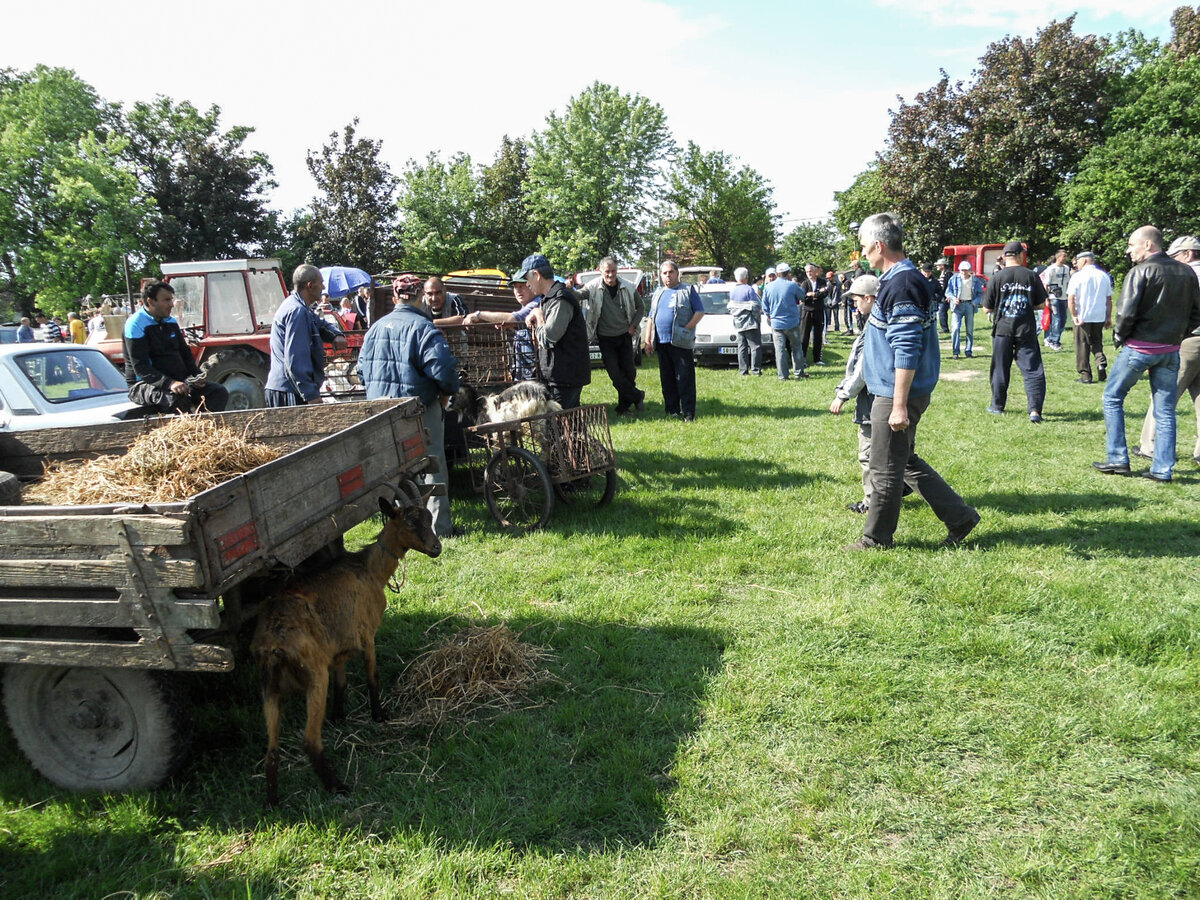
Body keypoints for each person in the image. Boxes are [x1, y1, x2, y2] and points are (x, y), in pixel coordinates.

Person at [846, 212, 979, 551]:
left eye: (864, 247)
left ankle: (875, 539)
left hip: (895, 393)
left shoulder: (902, 283)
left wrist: (899, 405)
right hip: (892, 391)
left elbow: (906, 349)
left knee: (884, 469)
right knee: (902, 462)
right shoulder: (897, 279)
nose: (862, 254)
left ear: (879, 245)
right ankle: (961, 517)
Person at [1093, 226, 1200, 481]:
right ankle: (1162, 469)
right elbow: (1196, 313)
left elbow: (1126, 312)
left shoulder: (1141, 271)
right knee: (1165, 410)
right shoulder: (1187, 272)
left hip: (1140, 347)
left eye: (1132, 245)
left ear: (1149, 245)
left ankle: (1118, 458)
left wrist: (1120, 337)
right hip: (1171, 349)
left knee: (1112, 397)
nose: (1128, 250)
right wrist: (1177, 336)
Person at [358, 276, 461, 537]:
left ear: (395, 298)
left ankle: (405, 527)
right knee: (432, 466)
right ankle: (440, 528)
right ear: (420, 297)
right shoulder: (424, 328)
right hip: (419, 410)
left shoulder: (374, 330)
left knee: (396, 471)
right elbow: (445, 372)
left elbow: (361, 371)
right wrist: (447, 393)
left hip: (381, 413)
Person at [1135, 235, 1200, 466]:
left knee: (1163, 393)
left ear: (1188, 253)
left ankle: (1150, 446)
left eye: (1176, 255)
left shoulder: (1185, 275)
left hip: (1189, 340)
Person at [123, 280, 229, 414]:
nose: (172, 304)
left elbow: (185, 354)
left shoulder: (171, 322)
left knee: (218, 392)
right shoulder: (135, 324)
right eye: (166, 300)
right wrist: (169, 383)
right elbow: (141, 368)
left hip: (178, 382)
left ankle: (206, 429)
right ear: (150, 302)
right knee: (176, 400)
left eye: (171, 299)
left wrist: (197, 375)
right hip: (144, 385)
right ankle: (190, 432)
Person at [830, 274, 880, 515]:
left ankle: (873, 502)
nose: (854, 304)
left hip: (872, 400)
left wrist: (843, 395)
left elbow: (863, 368)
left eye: (856, 299)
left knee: (868, 454)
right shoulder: (874, 321)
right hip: (879, 397)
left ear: (869, 298)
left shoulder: (875, 325)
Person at [981, 241, 1047, 423]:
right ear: (1020, 255)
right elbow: (1041, 304)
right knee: (1033, 369)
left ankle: (997, 406)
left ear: (1005, 256)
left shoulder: (997, 277)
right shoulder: (1031, 276)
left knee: (1000, 369)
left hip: (1003, 329)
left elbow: (986, 308)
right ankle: (1035, 410)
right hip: (1025, 328)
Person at [265, 264, 347, 407]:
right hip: (289, 390)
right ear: (310, 286)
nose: (323, 288)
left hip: (288, 387)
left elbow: (320, 323)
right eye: (321, 283)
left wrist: (336, 335)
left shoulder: (300, 307)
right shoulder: (297, 312)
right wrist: (310, 394)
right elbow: (295, 358)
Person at [517, 253, 591, 409]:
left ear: (536, 275)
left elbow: (548, 338)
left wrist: (538, 315)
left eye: (527, 279)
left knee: (557, 426)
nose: (527, 284)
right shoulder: (549, 298)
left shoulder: (560, 299)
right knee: (570, 426)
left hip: (565, 376)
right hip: (558, 375)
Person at [578, 256, 646, 415]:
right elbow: (579, 295)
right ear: (600, 271)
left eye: (613, 271)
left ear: (617, 270)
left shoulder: (628, 286)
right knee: (615, 375)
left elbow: (640, 307)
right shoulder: (593, 287)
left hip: (624, 336)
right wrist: (567, 289)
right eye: (607, 272)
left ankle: (624, 408)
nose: (610, 275)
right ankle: (637, 395)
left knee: (629, 372)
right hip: (605, 338)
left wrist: (633, 325)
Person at [644, 260, 704, 420]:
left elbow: (699, 311)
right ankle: (672, 410)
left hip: (681, 342)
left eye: (671, 272)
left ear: (677, 274)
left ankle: (688, 412)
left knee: (685, 378)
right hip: (662, 343)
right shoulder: (658, 292)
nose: (668, 276)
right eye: (664, 273)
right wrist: (648, 340)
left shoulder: (687, 290)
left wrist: (687, 328)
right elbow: (651, 317)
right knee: (667, 379)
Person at [465, 274, 542, 381]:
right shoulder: (527, 305)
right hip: (525, 370)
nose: (518, 290)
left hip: (535, 373)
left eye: (522, 286)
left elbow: (513, 318)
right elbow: (521, 324)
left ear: (531, 285)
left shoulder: (536, 303)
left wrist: (479, 314)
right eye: (515, 287)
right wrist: (513, 327)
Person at [1065, 251, 1112, 384]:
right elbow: (1109, 299)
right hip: (1099, 315)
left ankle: (1085, 374)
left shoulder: (1077, 277)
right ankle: (1100, 362)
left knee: (1082, 344)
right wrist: (1108, 317)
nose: (1076, 264)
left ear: (1084, 261)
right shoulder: (1104, 276)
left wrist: (1074, 315)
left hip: (1083, 316)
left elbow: (1071, 298)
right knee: (1097, 342)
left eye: (1078, 261)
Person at [761, 262, 807, 379]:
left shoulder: (768, 287)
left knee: (779, 350)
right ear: (788, 273)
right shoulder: (792, 285)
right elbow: (802, 296)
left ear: (777, 273)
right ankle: (799, 372)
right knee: (796, 348)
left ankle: (782, 375)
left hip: (776, 323)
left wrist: (770, 316)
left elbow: (765, 306)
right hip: (792, 322)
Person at [944, 260, 985, 359]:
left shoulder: (975, 280)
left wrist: (975, 302)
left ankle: (968, 351)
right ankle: (956, 352)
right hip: (957, 306)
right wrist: (954, 299)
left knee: (969, 330)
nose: (964, 272)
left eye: (966, 270)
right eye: (962, 270)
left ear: (970, 270)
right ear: (959, 270)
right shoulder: (954, 279)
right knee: (955, 329)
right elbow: (948, 292)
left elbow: (980, 293)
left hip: (969, 305)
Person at [728, 266, 763, 376]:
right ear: (746, 277)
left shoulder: (732, 290)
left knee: (741, 347)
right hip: (750, 323)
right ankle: (756, 370)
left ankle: (743, 370)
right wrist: (757, 319)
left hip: (738, 322)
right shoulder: (748, 289)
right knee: (755, 347)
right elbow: (756, 306)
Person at [1039, 249, 1072, 351]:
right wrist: (1046, 298)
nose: (1065, 258)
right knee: (1056, 318)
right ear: (1058, 257)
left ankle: (1052, 338)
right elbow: (1046, 284)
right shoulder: (1051, 269)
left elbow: (1068, 282)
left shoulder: (1066, 268)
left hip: (1064, 297)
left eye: (1066, 256)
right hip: (1054, 297)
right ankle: (1054, 340)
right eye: (1064, 256)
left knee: (1063, 319)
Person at [799, 263, 828, 365]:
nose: (809, 273)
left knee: (818, 335)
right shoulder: (804, 283)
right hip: (807, 311)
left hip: (819, 310)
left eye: (810, 271)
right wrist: (814, 294)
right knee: (804, 335)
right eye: (807, 272)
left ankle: (817, 359)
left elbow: (824, 293)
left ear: (815, 272)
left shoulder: (822, 281)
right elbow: (802, 297)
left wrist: (813, 294)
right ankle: (803, 359)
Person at [934, 258, 952, 333]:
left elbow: (949, 285)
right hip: (940, 296)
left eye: (938, 265)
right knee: (941, 312)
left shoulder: (948, 274)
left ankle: (945, 329)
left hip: (945, 297)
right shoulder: (942, 273)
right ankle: (944, 328)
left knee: (942, 312)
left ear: (943, 265)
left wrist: (948, 295)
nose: (937, 266)